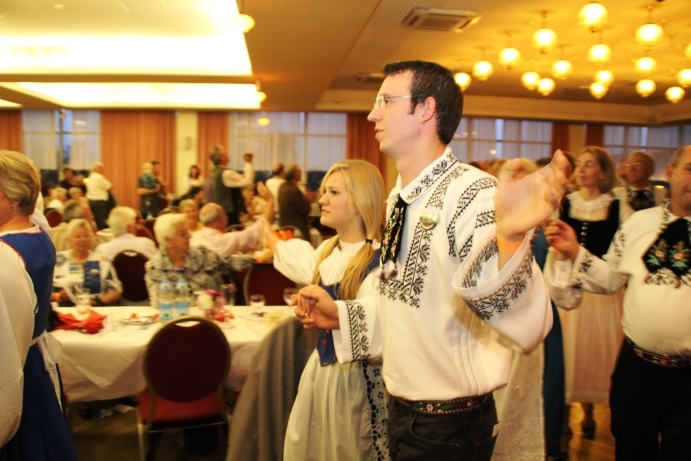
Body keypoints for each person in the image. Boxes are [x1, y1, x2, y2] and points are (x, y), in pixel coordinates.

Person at [295, 60, 570, 460]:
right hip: (403, 412)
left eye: (385, 101)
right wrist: (339, 314)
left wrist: (509, 239)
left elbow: (529, 325)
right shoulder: (400, 198)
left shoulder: (473, 193)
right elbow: (409, 308)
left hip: (450, 426)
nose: (372, 114)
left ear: (425, 109)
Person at [544, 144, 691, 461]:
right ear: (670, 173)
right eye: (690, 169)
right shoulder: (639, 223)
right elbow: (610, 278)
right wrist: (575, 251)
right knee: (632, 447)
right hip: (637, 369)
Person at [265, 159, 389, 460]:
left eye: (333, 192)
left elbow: (385, 321)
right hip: (321, 374)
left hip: (357, 384)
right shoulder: (328, 250)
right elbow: (296, 259)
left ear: (360, 201)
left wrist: (335, 313)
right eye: (324, 192)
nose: (322, 199)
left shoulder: (382, 263)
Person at [0, 150, 78, 460]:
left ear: (13, 197)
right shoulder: (38, 234)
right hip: (34, 356)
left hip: (17, 361)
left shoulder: (7, 251)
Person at [546, 146, 627, 441]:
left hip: (601, 293)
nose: (581, 170)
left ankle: (590, 412)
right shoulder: (565, 202)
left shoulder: (618, 207)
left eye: (589, 165)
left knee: (593, 354)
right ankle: (564, 419)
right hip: (567, 288)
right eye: (579, 164)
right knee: (568, 355)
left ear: (603, 173)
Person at [144, 213, 231, 306]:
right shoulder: (156, 267)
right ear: (167, 240)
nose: (189, 236)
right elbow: (161, 303)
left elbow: (228, 262)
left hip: (209, 312)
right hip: (177, 314)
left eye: (187, 231)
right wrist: (201, 300)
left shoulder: (198, 255)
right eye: (183, 233)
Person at [52, 219, 122, 307]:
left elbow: (115, 291)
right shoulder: (58, 259)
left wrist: (96, 302)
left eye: (86, 236)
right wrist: (59, 296)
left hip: (94, 310)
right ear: (69, 240)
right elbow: (43, 291)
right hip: (62, 311)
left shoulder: (102, 260)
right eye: (77, 236)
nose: (82, 239)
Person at [191, 203, 266, 256]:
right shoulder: (223, 241)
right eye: (224, 215)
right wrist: (270, 200)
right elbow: (260, 228)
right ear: (220, 219)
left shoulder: (194, 238)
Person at [613, 150, 667, 219]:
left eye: (638, 164)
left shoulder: (663, 194)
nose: (632, 169)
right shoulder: (616, 194)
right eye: (628, 164)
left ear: (650, 169)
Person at [207, 147, 254, 225]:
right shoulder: (226, 173)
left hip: (223, 211)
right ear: (221, 157)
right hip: (230, 213)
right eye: (225, 153)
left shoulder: (217, 171)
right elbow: (248, 182)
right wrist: (248, 163)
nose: (228, 154)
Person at [278, 163, 312, 241]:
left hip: (285, 226)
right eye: (299, 171)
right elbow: (305, 209)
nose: (301, 173)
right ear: (295, 174)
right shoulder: (294, 190)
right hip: (296, 229)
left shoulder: (282, 186)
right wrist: (308, 199)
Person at [85, 161, 113, 229]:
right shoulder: (99, 177)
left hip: (91, 201)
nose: (103, 170)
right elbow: (109, 186)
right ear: (97, 169)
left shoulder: (90, 177)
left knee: (96, 220)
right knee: (101, 220)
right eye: (101, 169)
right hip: (99, 202)